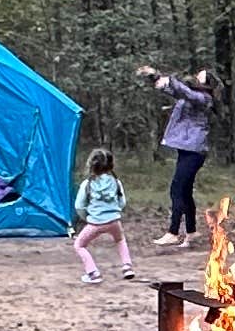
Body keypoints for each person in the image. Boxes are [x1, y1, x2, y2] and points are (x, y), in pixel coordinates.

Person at [138, 61, 217, 246]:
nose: (197, 76)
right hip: (187, 149)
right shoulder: (190, 96)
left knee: (177, 189)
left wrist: (165, 77)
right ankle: (191, 232)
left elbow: (185, 91)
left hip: (194, 151)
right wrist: (154, 77)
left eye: (201, 75)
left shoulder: (204, 99)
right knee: (185, 191)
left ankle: (173, 232)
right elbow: (174, 90)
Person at [72, 145, 132, 280]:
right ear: (111, 165)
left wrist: (86, 217)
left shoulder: (87, 184)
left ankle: (92, 273)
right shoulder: (116, 182)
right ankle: (127, 267)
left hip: (95, 223)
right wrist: (115, 211)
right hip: (114, 221)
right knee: (120, 240)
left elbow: (79, 206)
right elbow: (122, 202)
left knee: (79, 245)